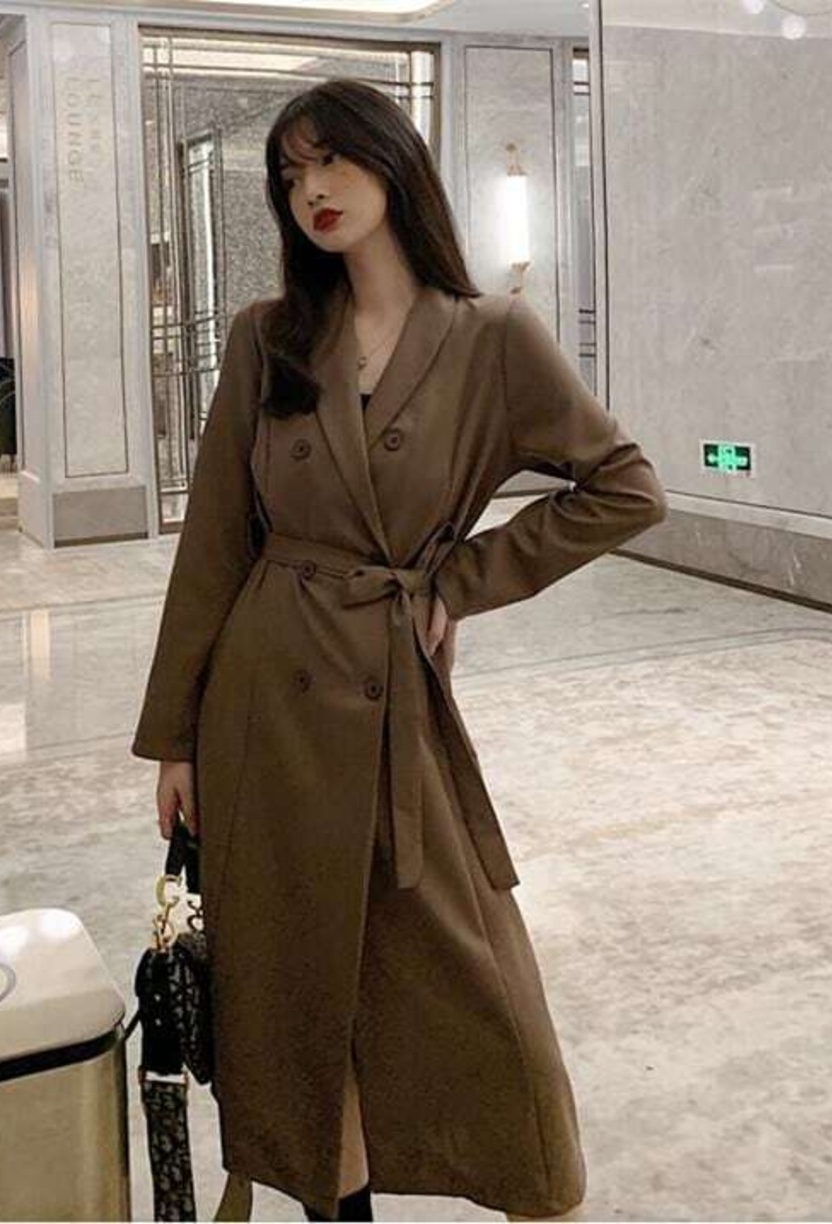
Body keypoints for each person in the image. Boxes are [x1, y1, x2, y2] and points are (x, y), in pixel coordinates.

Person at [132, 78, 668, 1222]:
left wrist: (458, 581)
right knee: (291, 992)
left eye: (330, 160)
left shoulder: (491, 337)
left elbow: (624, 488)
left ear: (391, 163)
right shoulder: (267, 337)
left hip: (390, 703)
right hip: (264, 703)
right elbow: (216, 544)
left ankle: (523, 1179)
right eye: (290, 174)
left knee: (478, 985)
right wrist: (175, 735)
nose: (311, 190)